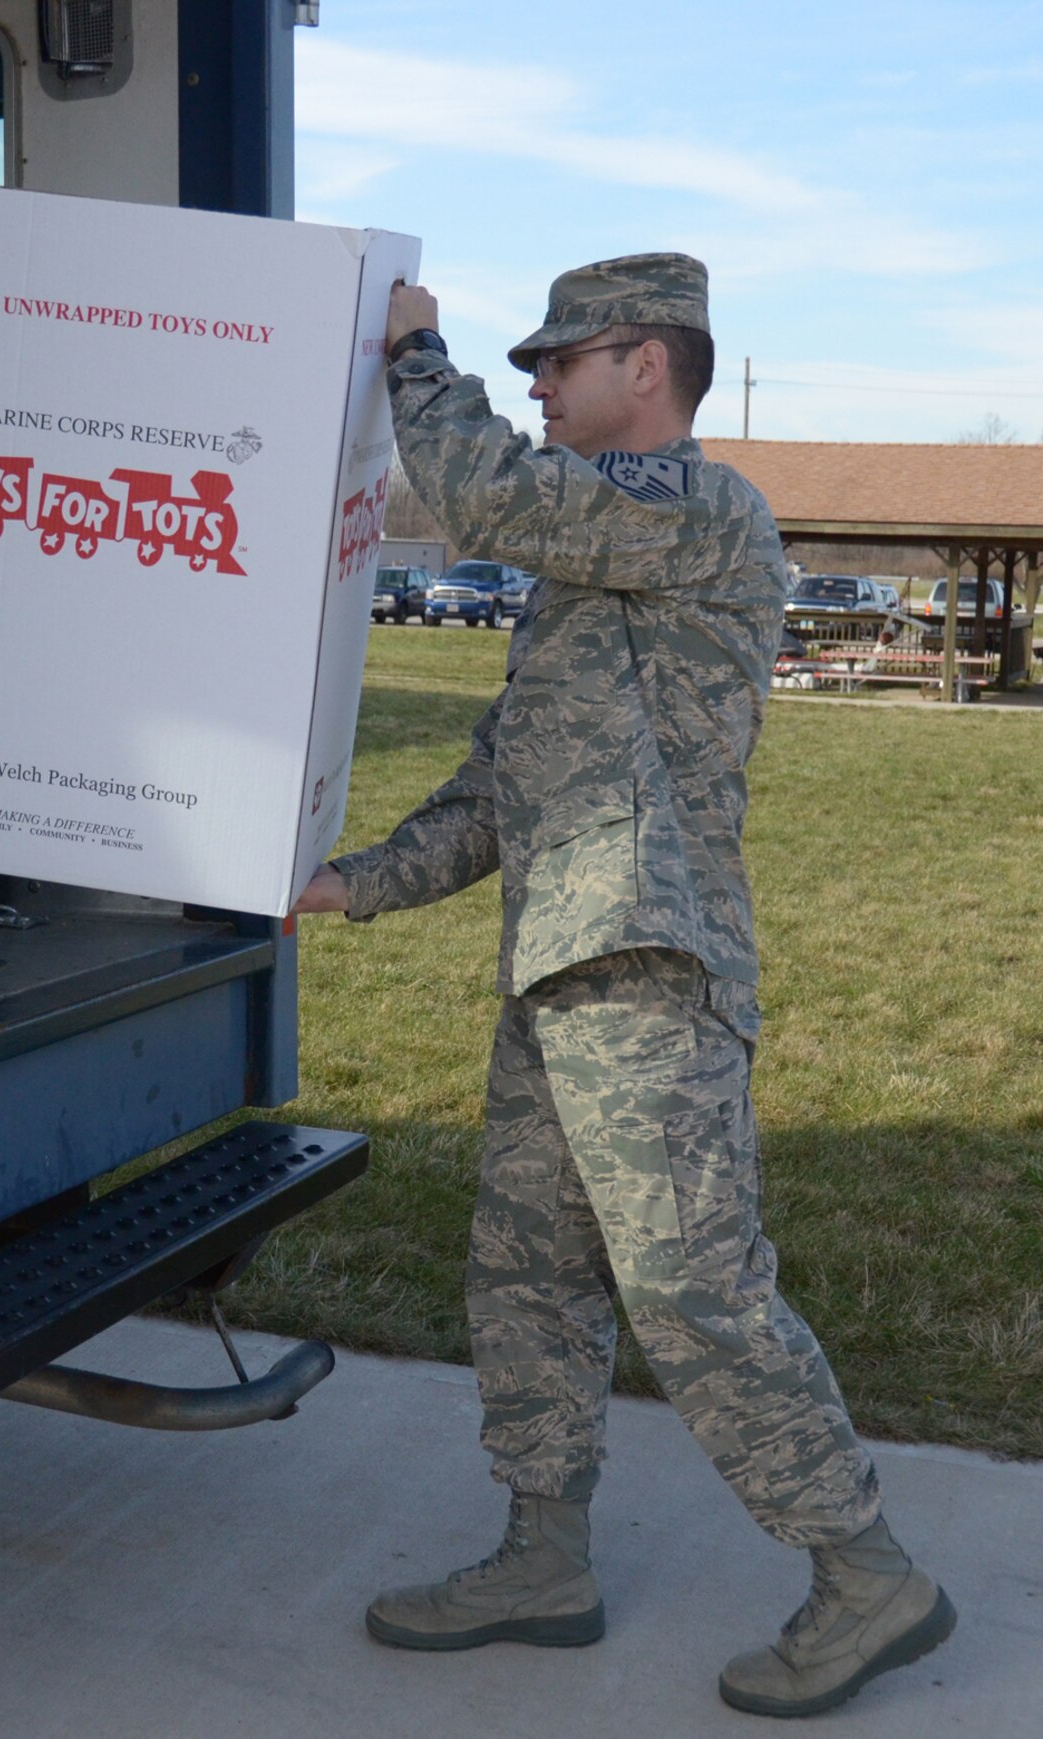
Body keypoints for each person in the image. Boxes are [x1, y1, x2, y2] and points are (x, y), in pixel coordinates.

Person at [293, 254, 956, 1719]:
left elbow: (485, 494)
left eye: (560, 361)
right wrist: (355, 884)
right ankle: (543, 1558)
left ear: (643, 364)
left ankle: (866, 1572)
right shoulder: (592, 564)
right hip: (559, 973)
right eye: (521, 365)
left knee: (692, 1290)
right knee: (524, 1275)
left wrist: (421, 351)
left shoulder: (697, 515)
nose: (535, 386)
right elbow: (498, 783)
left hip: (651, 971)